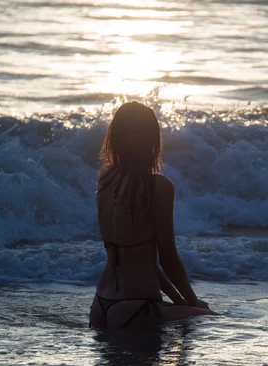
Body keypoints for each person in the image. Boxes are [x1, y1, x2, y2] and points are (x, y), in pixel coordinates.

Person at [89, 101, 215, 329]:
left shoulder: (105, 180)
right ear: (151, 141)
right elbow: (168, 259)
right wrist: (192, 300)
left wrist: (181, 301)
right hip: (137, 306)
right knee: (212, 318)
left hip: (100, 306)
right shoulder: (158, 187)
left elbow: (140, 259)